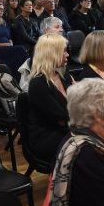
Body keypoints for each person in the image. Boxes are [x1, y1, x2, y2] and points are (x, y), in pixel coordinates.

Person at [25, 33, 71, 163]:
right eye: (64, 51)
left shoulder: (63, 75)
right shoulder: (38, 83)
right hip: (47, 137)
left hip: (65, 129)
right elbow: (61, 119)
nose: (67, 55)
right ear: (52, 53)